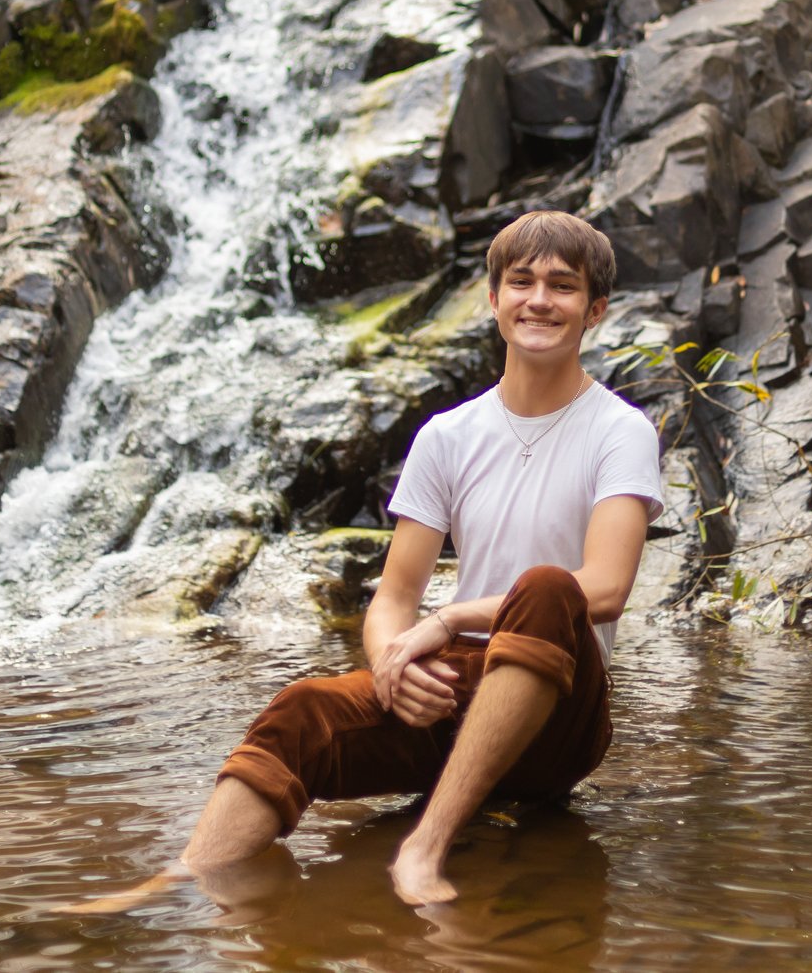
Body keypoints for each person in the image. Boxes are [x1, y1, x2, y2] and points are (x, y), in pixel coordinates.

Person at [184, 208, 664, 908]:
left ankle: (426, 844)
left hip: (560, 710)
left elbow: (606, 587)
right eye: (521, 281)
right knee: (303, 709)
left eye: (562, 286)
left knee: (547, 587)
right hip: (455, 693)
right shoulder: (446, 435)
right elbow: (394, 596)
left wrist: (451, 619)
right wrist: (391, 665)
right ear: (492, 298)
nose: (538, 299)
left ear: (595, 310)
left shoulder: (619, 430)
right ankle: (186, 876)